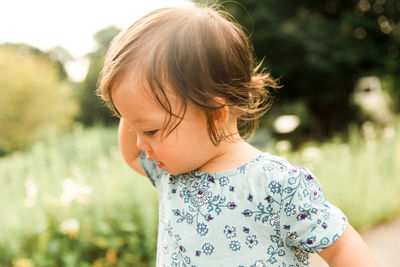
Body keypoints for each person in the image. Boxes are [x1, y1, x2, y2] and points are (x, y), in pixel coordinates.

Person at [97, 4, 378, 267]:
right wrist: (134, 109)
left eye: (149, 129)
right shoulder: (172, 173)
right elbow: (132, 156)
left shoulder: (276, 184)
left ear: (215, 113)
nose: (139, 142)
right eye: (132, 125)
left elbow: (342, 246)